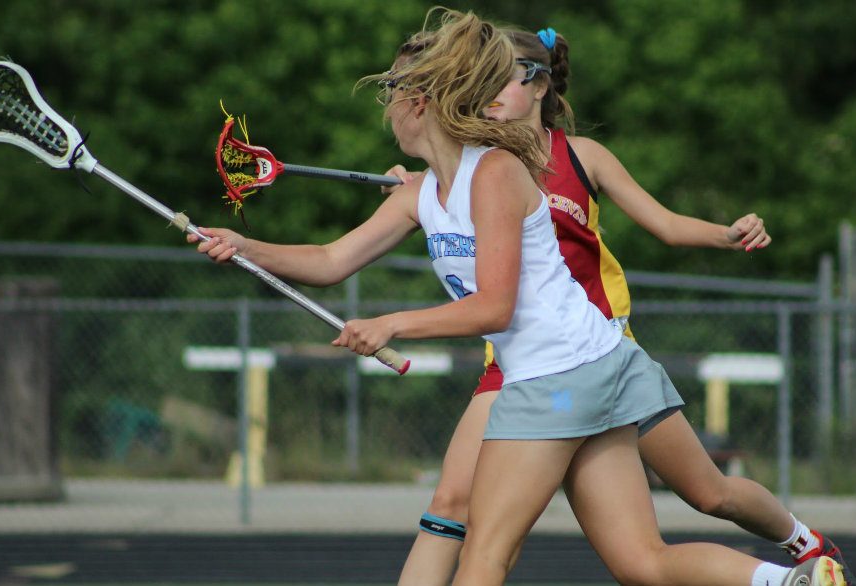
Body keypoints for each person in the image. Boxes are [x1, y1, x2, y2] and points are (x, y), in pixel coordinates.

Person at [189, 8, 846, 586]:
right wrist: (242, 246)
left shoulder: (495, 173)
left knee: (482, 562)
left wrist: (392, 322)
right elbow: (331, 260)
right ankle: (794, 582)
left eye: (389, 92)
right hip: (586, 369)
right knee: (642, 565)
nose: (384, 105)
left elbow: (493, 309)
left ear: (418, 102)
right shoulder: (422, 191)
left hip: (556, 378)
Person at [391, 24, 854, 586]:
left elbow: (664, 224)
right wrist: (423, 179)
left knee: (711, 494)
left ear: (539, 87)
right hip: (522, 363)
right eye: (480, 81)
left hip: (603, 352)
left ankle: (805, 546)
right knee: (455, 501)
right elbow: (444, 203)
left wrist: (725, 233)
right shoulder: (475, 164)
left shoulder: (579, 156)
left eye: (502, 80)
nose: (488, 93)